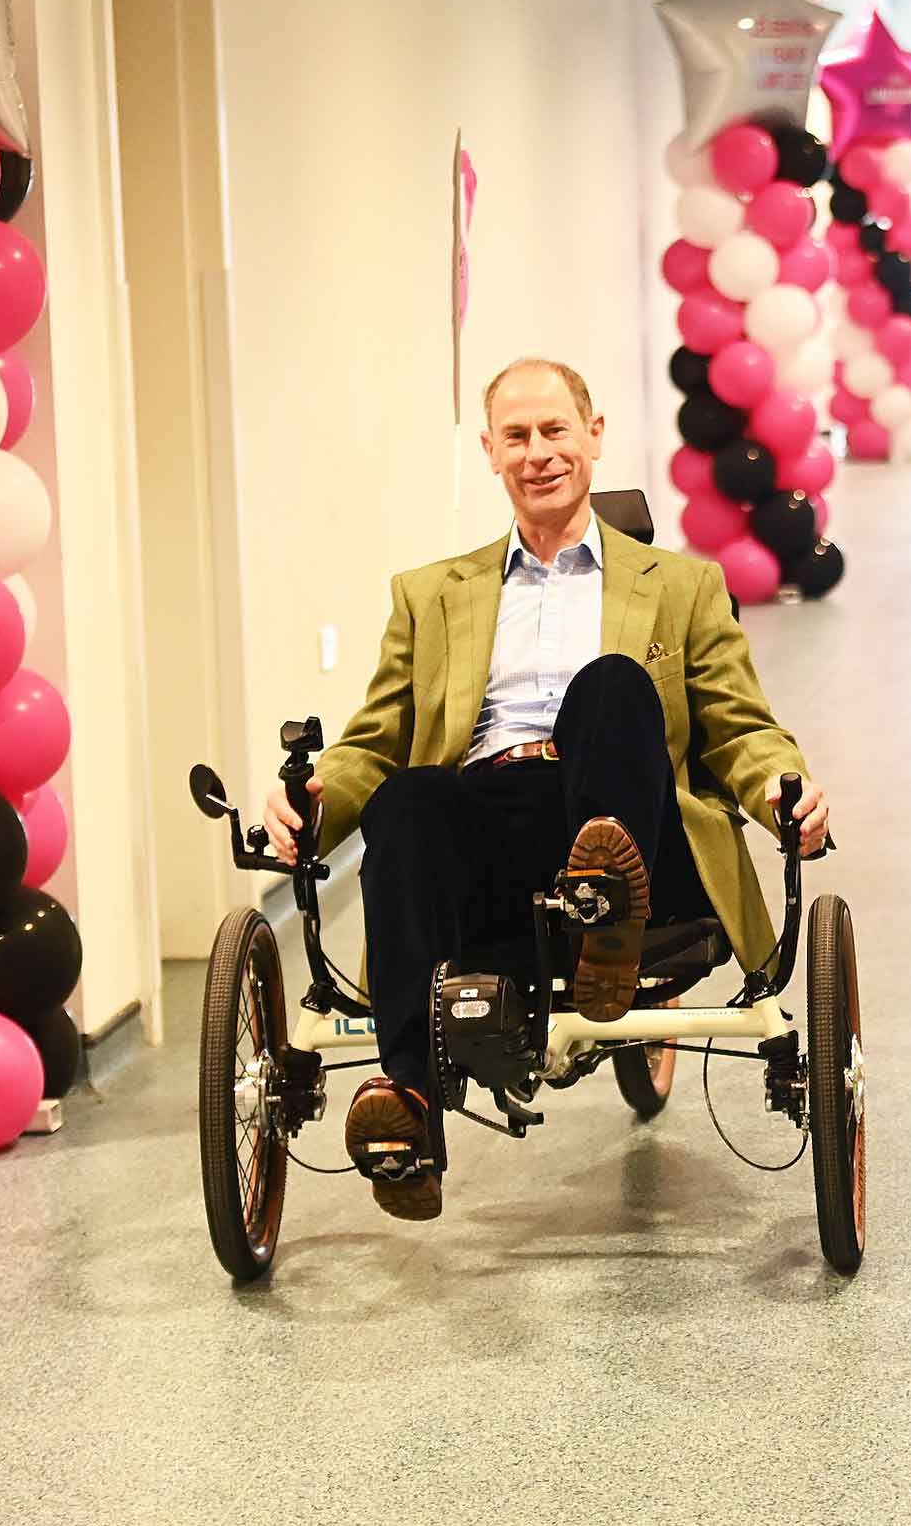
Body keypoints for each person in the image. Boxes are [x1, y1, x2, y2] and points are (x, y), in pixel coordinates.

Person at [261, 357, 830, 1221]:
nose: (538, 453)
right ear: (490, 451)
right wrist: (313, 803)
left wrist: (785, 787)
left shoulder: (680, 584)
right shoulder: (430, 596)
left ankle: (607, 909)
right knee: (408, 797)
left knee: (609, 685)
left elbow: (739, 726)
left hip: (630, 821)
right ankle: (408, 1099)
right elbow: (373, 741)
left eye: (555, 430)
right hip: (492, 830)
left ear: (594, 437)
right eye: (517, 437)